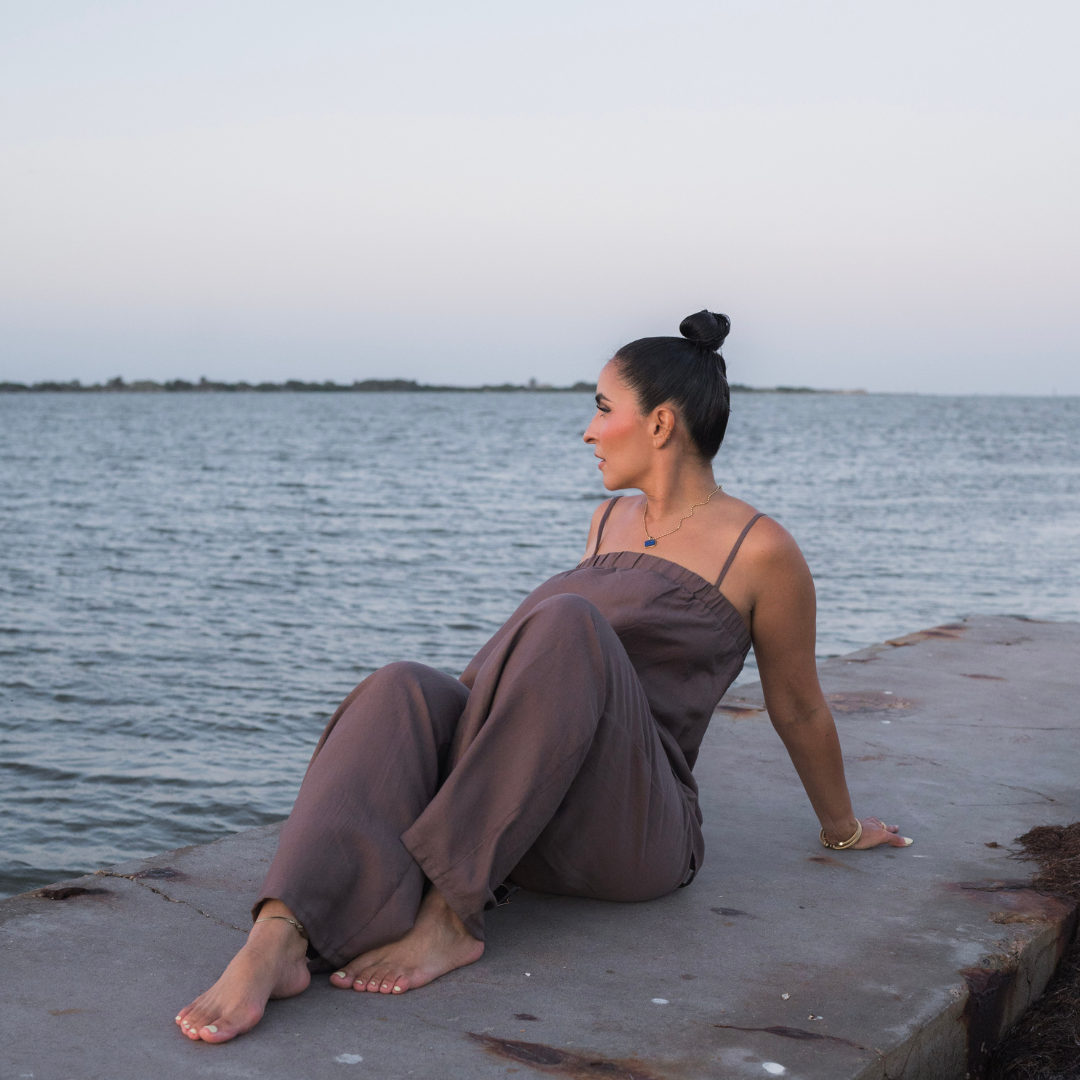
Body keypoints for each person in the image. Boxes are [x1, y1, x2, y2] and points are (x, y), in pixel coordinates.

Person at [176, 310, 912, 1044]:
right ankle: (278, 939)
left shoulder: (762, 550)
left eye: (600, 408)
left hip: (634, 829)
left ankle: (445, 921)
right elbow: (549, 691)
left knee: (568, 622)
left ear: (659, 425)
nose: (587, 431)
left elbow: (797, 705)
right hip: (529, 811)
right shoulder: (606, 523)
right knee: (400, 685)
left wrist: (843, 830)